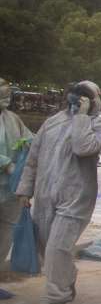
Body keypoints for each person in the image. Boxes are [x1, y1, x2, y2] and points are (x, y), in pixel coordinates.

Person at [15, 81, 101, 304]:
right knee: (48, 247)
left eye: (88, 96)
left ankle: (57, 298)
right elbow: (33, 159)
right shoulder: (52, 122)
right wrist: (25, 191)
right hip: (45, 196)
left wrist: (82, 116)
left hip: (75, 197)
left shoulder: (99, 126)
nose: (80, 98)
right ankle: (67, 279)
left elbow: (82, 147)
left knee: (58, 248)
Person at [0, 79, 34, 267]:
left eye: (8, 95)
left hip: (11, 187)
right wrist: (5, 163)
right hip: (6, 175)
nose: (6, 98)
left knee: (6, 232)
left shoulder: (12, 118)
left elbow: (29, 138)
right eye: (2, 95)